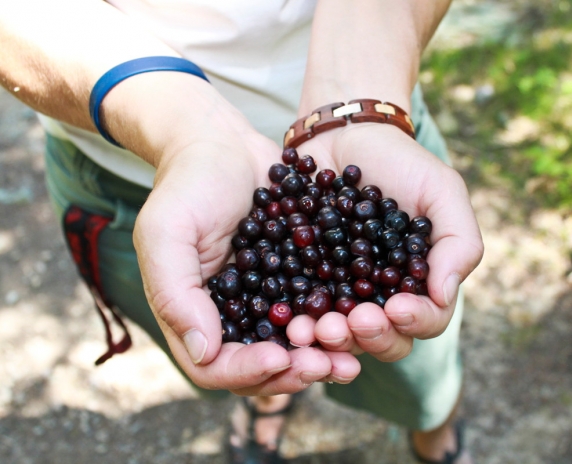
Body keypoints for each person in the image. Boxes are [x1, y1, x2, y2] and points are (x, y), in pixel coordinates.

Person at [0, 1, 483, 462]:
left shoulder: (348, 202)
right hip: (131, 175)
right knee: (246, 347)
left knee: (414, 360)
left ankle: (432, 421)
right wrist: (189, 134)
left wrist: (357, 89)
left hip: (374, 119)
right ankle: (270, 395)